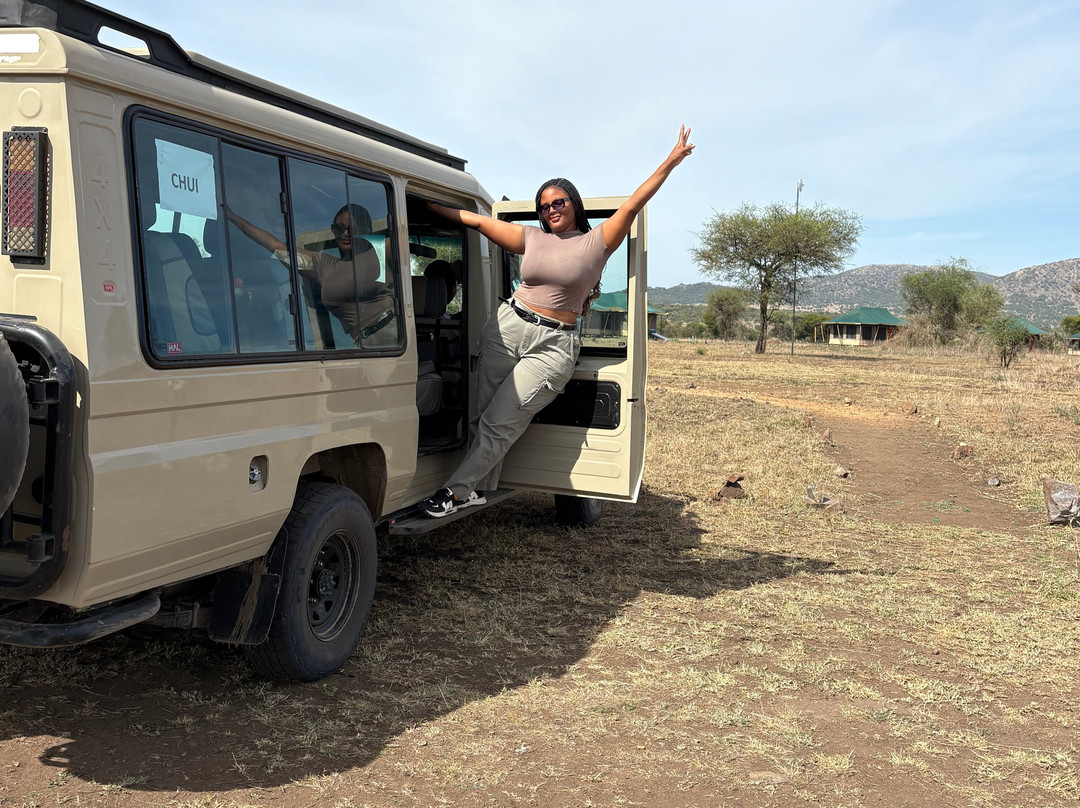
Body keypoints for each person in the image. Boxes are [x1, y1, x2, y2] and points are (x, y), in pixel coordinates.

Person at [420, 125, 695, 518]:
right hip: (507, 328)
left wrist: (671, 160)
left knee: (501, 421)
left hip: (553, 345)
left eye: (559, 202)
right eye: (545, 205)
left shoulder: (597, 241)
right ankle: (479, 489)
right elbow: (476, 222)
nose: (552, 210)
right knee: (482, 416)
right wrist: (426, 205)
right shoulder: (531, 238)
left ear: (574, 204)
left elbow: (634, 204)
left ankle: (455, 491)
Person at [223, 202, 393, 343]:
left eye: (352, 228)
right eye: (339, 228)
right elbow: (275, 246)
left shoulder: (382, 250)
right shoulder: (324, 266)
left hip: (393, 336)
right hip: (364, 345)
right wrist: (232, 217)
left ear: (366, 229)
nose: (345, 233)